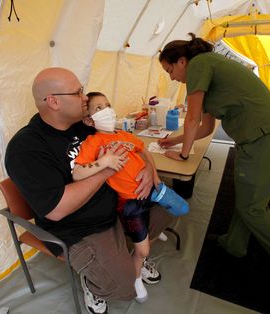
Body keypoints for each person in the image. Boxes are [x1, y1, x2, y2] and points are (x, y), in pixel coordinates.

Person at [5, 67, 174, 314]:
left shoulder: (82, 126)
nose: (86, 98)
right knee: (124, 287)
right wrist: (106, 171)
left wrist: (149, 170)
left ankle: (128, 255)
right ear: (53, 101)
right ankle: (94, 282)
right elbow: (56, 210)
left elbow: (132, 146)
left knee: (166, 210)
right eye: (78, 92)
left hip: (116, 206)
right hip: (78, 228)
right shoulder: (27, 148)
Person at [157, 33, 270, 268]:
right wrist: (175, 141)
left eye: (170, 70)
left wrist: (184, 154)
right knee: (248, 199)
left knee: (252, 207)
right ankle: (234, 244)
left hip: (265, 138)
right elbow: (205, 127)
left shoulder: (199, 64)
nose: (172, 78)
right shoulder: (207, 71)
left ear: (182, 61)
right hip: (258, 139)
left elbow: (192, 118)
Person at [72, 91, 188, 303]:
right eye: (99, 108)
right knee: (142, 250)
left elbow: (145, 151)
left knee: (180, 208)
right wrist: (104, 163)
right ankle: (136, 275)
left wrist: (150, 173)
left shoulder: (124, 136)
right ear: (89, 119)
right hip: (131, 203)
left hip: (150, 189)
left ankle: (152, 236)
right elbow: (77, 173)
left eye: (107, 105)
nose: (107, 110)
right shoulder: (94, 142)